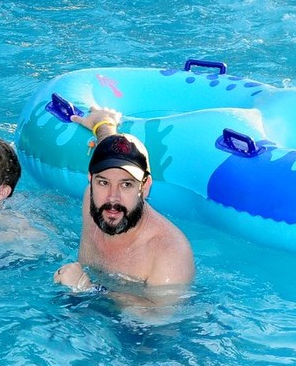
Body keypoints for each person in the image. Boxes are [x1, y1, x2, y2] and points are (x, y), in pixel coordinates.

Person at [54, 107, 195, 306]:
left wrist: (88, 288)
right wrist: (103, 124)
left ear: (145, 187)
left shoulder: (169, 252)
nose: (113, 198)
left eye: (126, 184)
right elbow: (109, 148)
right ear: (91, 180)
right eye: (103, 182)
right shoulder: (92, 198)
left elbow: (160, 324)